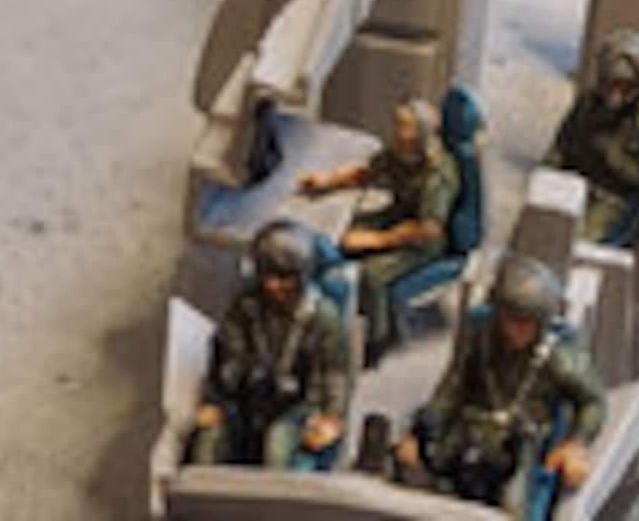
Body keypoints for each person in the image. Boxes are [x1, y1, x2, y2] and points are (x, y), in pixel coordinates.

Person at [393, 255, 606, 519]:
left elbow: (592, 401)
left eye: (527, 323)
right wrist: (423, 430)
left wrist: (576, 444)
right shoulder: (481, 336)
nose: (518, 330)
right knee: (416, 476)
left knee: (514, 506)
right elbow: (453, 385)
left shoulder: (558, 356)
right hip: (470, 428)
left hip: (522, 441)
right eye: (511, 319)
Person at [299, 98, 460, 367]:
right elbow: (369, 171)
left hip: (422, 242)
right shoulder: (403, 152)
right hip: (399, 219)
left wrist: (375, 240)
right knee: (341, 234)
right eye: (398, 124)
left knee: (373, 276)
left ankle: (378, 341)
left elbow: (429, 228)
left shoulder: (437, 174)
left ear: (421, 134)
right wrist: (328, 181)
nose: (397, 131)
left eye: (405, 126)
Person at [188, 220, 351, 472]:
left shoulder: (322, 317)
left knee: (278, 445)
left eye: (284, 277)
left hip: (299, 408)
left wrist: (332, 417)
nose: (273, 285)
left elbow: (335, 374)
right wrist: (214, 400)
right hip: (248, 403)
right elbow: (224, 356)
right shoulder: (245, 309)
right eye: (267, 275)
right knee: (208, 439)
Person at [546, 29, 639, 246]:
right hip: (576, 181)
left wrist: (615, 156)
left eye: (625, 87)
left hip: (615, 197)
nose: (615, 96)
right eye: (611, 84)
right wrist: (549, 172)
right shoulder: (590, 102)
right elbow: (563, 140)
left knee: (579, 242)